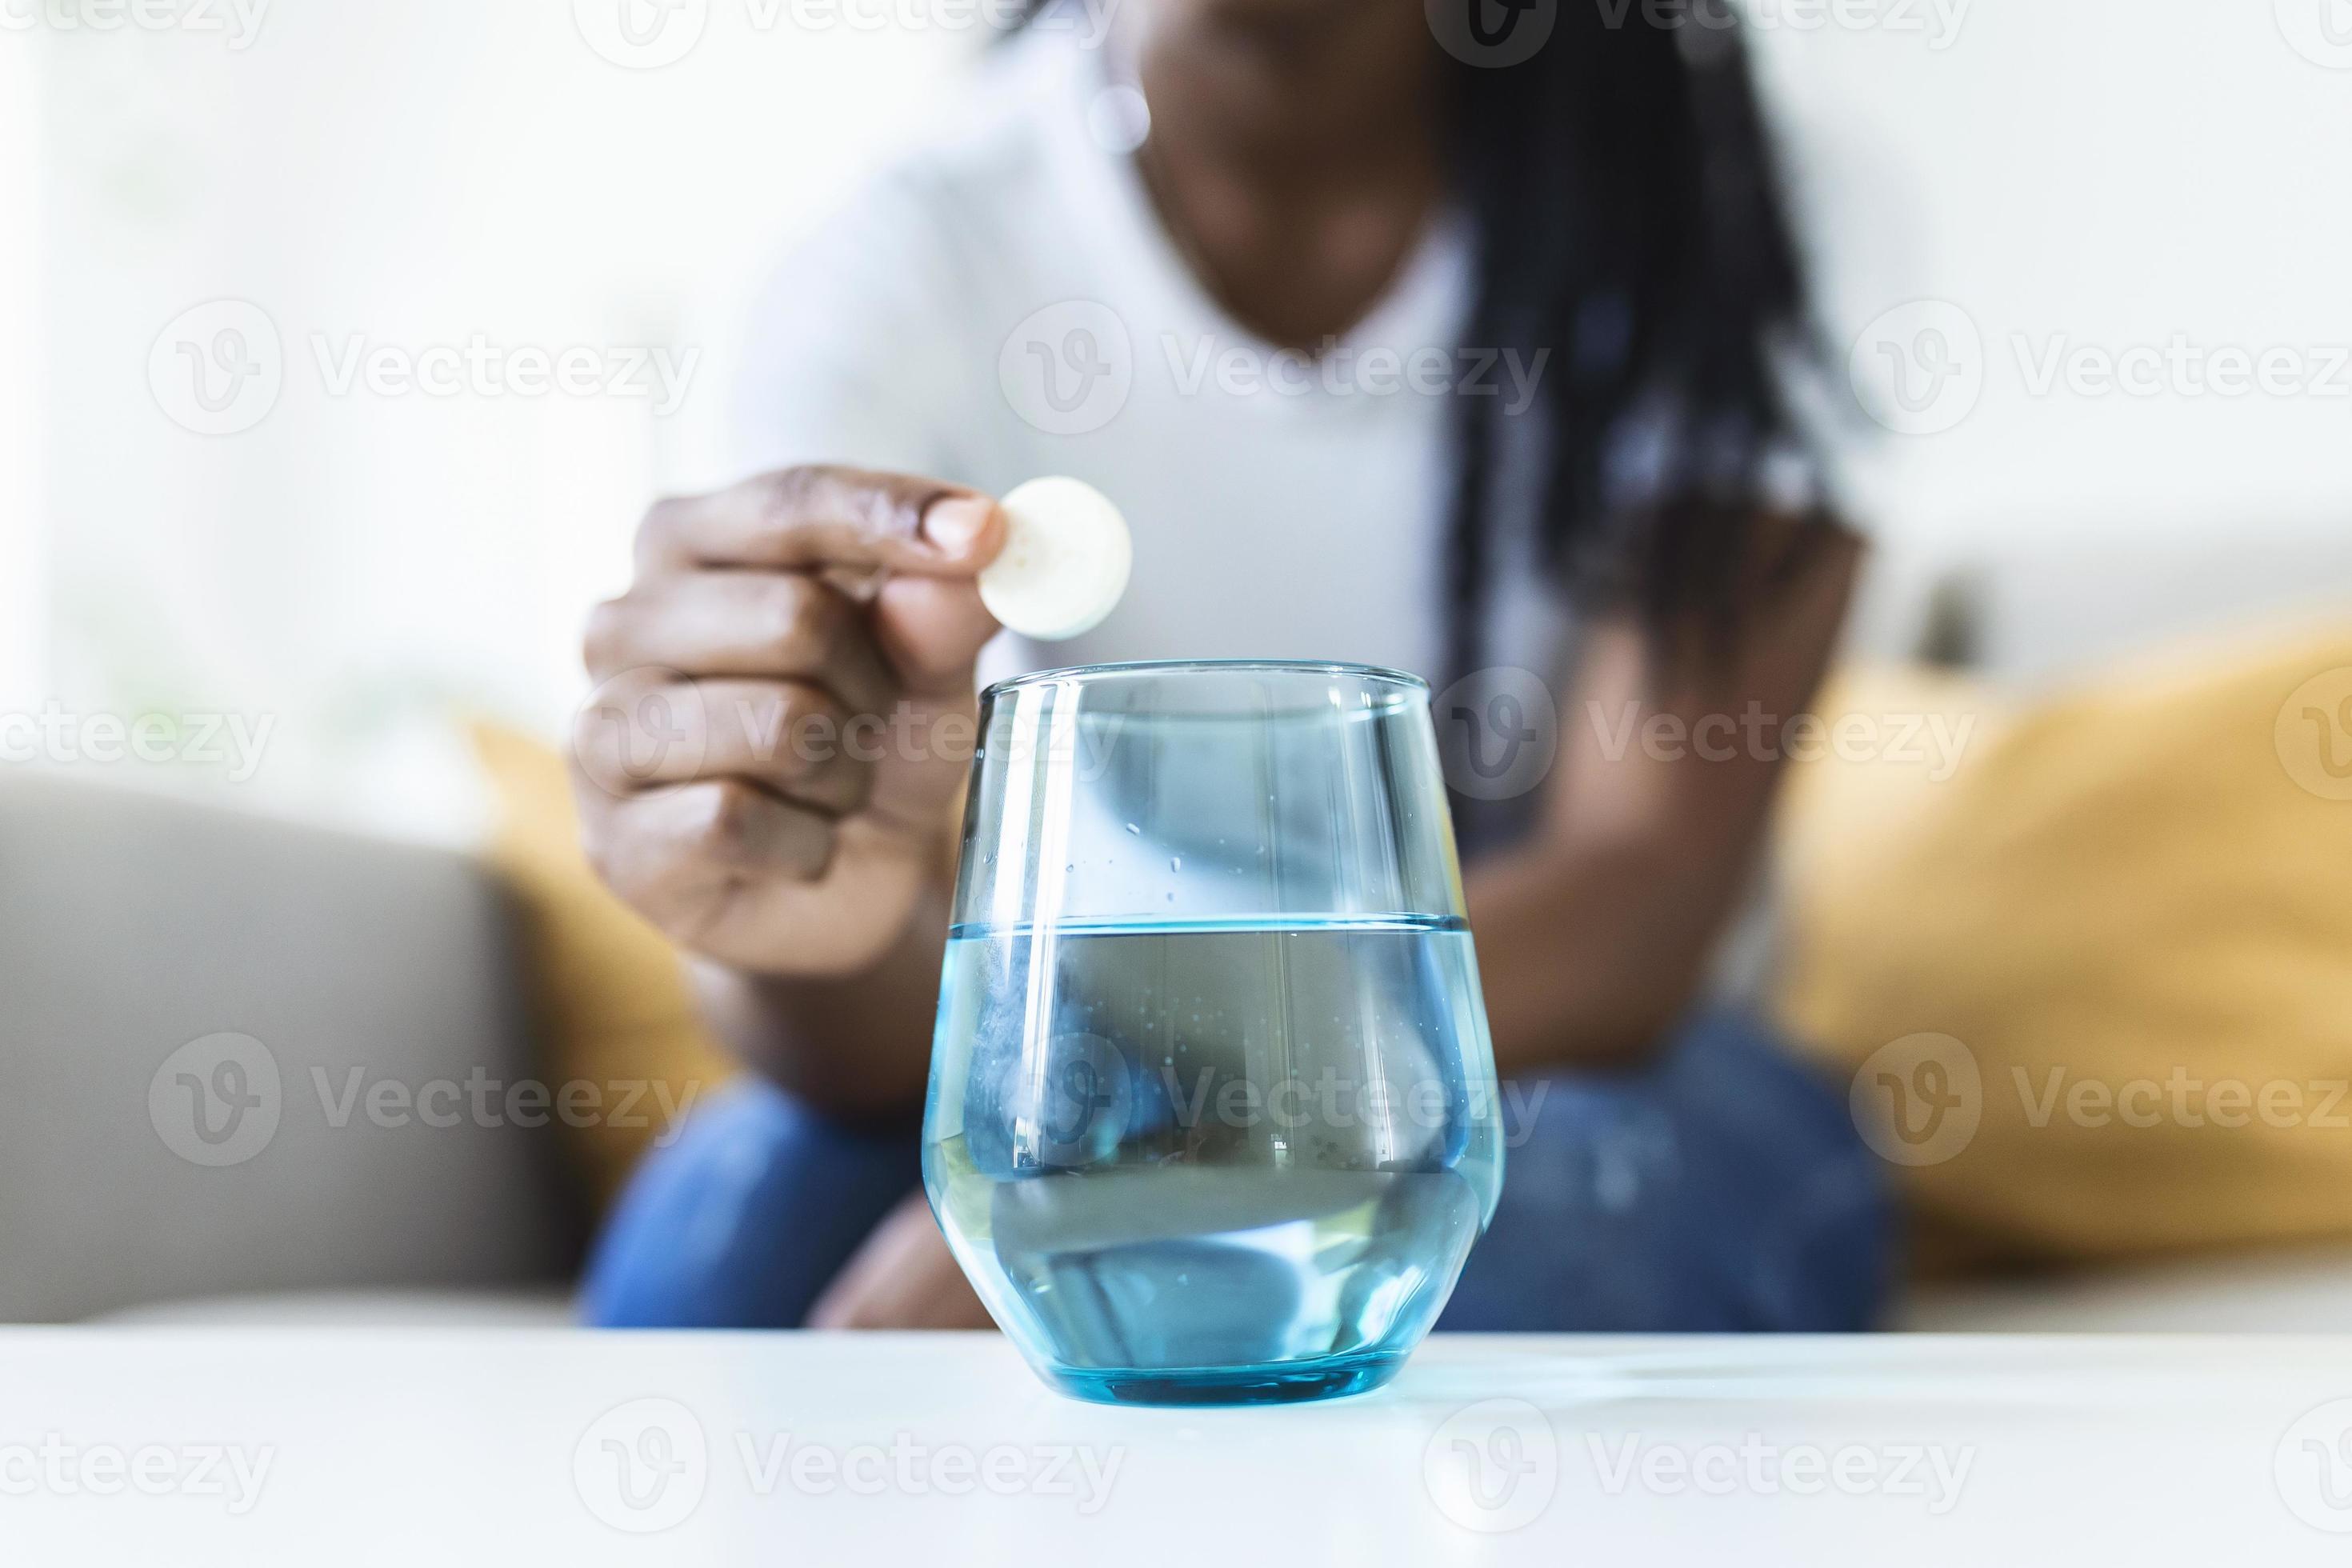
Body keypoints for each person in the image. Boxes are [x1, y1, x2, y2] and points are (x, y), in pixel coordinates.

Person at [573, 0, 1890, 1333]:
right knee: (735, 1245)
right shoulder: (907, 247)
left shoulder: (1719, 206)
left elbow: (1640, 905)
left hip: (1589, 1050)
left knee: (1541, 1232)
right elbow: (852, 1013)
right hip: (1087, 1043)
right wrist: (796, 911)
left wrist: (1183, 1150)